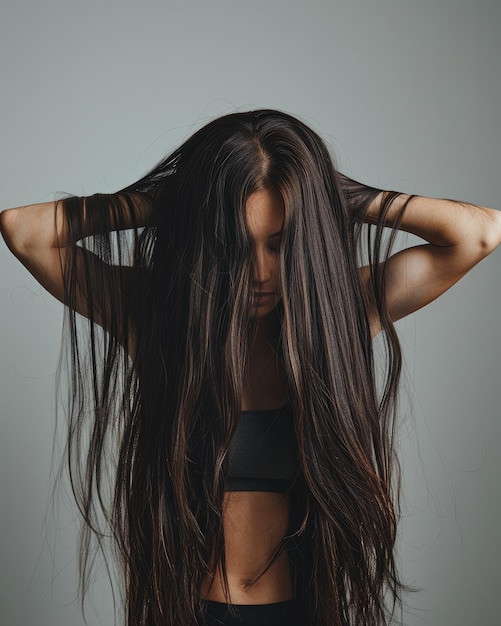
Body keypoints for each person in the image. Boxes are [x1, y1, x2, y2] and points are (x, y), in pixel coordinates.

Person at [1, 109, 499, 626]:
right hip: (187, 613)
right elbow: (25, 231)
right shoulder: (154, 315)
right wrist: (169, 203)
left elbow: (479, 233)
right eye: (235, 243)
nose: (260, 272)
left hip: (303, 612)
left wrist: (337, 196)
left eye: (280, 244)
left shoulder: (338, 312)